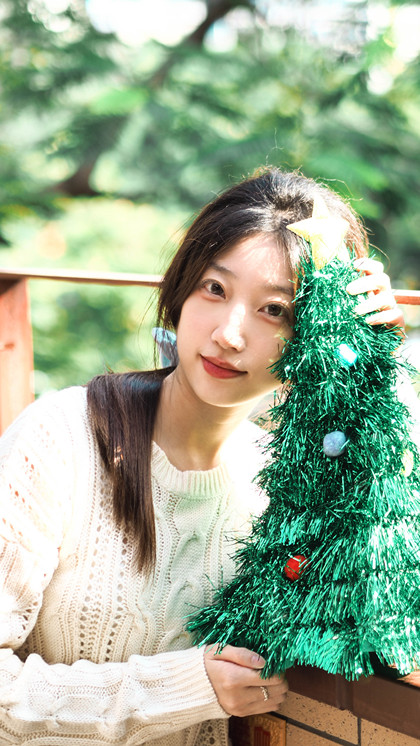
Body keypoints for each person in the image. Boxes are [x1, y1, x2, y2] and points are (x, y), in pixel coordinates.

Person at [0, 168, 408, 745]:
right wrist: (182, 687)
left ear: (317, 335)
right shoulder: (61, 439)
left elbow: (384, 593)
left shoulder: (282, 493)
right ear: (182, 287)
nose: (229, 335)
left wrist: (377, 374)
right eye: (215, 289)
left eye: (275, 311)